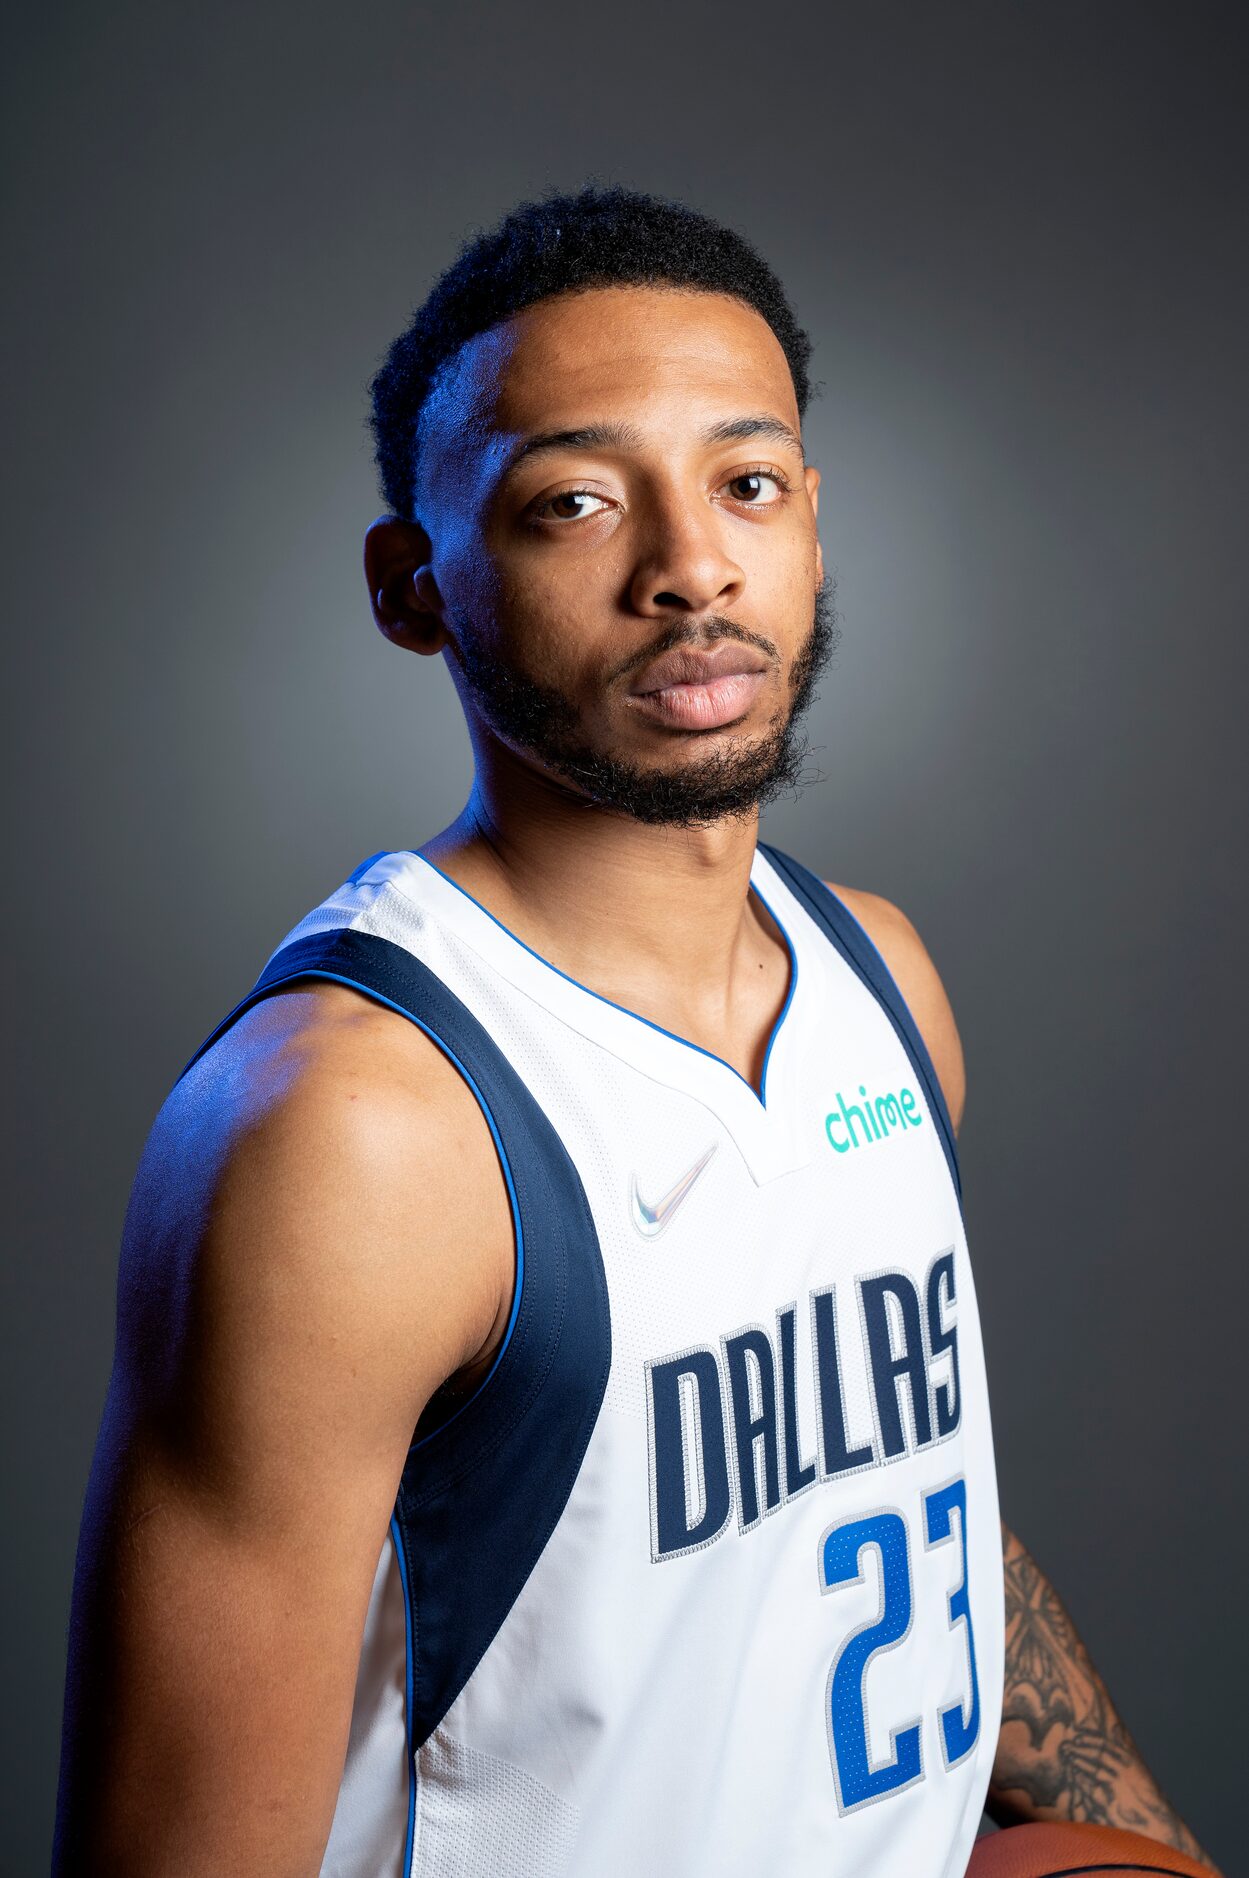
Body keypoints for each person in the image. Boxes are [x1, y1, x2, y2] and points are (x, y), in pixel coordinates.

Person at [53, 185, 1217, 1877]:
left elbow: (891, 1488)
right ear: (415, 585)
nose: (689, 566)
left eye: (745, 484)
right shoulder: (356, 1129)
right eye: (573, 504)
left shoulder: (879, 982)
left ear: (811, 522)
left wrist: (1142, 1839)